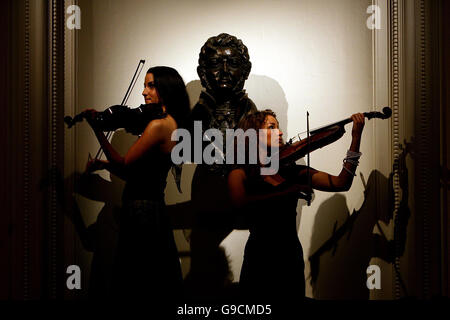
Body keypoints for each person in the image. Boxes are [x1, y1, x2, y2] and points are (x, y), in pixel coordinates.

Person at [227, 109, 365, 300]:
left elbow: (342, 183)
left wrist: (355, 138)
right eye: (272, 127)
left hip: (290, 255)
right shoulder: (241, 172)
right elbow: (239, 203)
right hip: (259, 257)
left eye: (279, 127)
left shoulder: (291, 171)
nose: (281, 132)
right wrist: (288, 191)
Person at [83, 66, 190, 300]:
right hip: (153, 208)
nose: (144, 92)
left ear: (166, 88)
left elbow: (125, 163)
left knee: (135, 280)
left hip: (140, 209)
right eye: (144, 85)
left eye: (150, 85)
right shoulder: (173, 123)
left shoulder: (158, 126)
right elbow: (141, 175)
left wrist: (97, 129)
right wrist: (104, 165)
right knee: (155, 277)